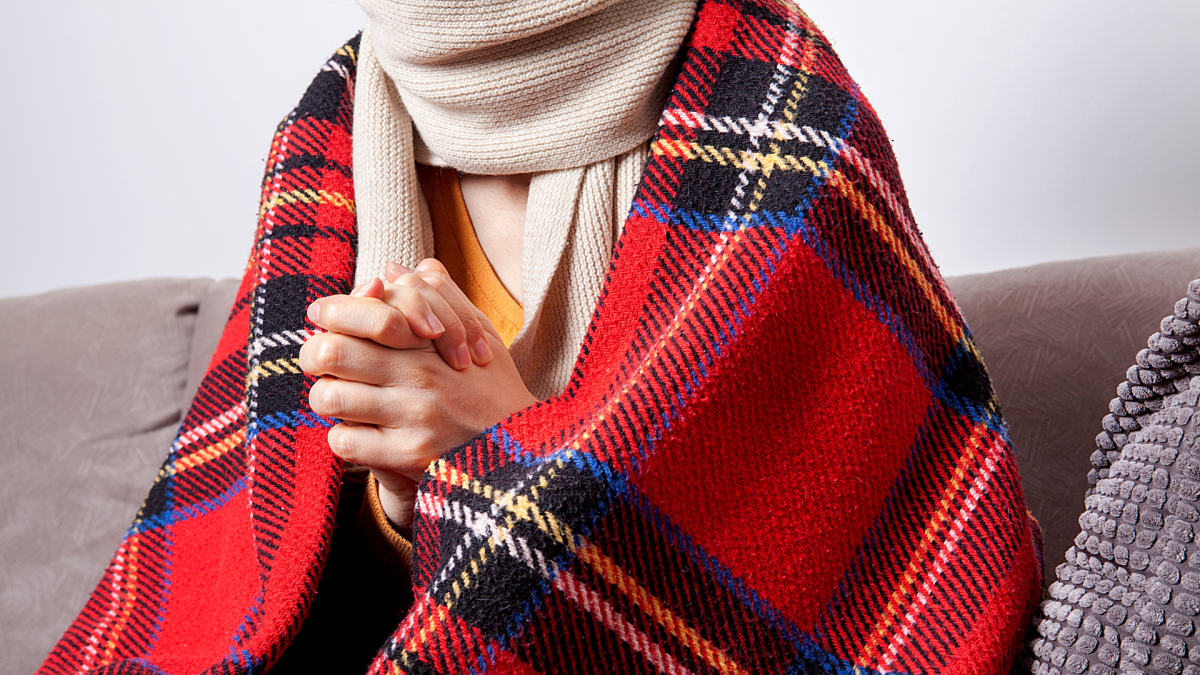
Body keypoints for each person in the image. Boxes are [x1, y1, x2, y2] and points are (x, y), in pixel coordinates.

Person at [38, 1, 1044, 673]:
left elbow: (860, 579)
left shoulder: (774, 103)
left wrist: (500, 451)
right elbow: (278, 590)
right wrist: (405, 492)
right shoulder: (331, 134)